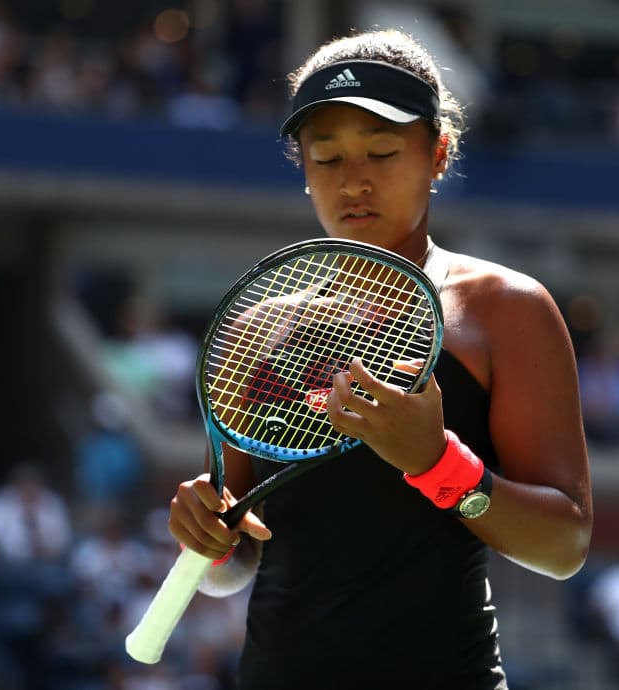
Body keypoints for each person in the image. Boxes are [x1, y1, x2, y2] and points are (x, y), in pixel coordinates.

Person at [166, 29, 593, 690]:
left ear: (439, 154)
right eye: (327, 158)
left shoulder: (505, 310)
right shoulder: (256, 328)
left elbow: (565, 546)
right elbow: (235, 561)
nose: (355, 181)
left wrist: (438, 465)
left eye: (383, 151)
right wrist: (208, 538)